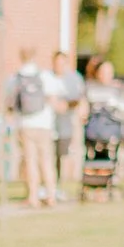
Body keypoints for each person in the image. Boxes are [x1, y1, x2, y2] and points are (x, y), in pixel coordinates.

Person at [4, 47, 58, 207]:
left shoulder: (15, 78)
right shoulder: (44, 76)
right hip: (44, 125)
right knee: (46, 161)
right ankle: (51, 195)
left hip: (25, 124)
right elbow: (53, 99)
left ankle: (33, 196)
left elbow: (9, 104)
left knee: (30, 161)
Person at [49, 50, 87, 193]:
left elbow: (79, 98)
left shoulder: (73, 79)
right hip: (49, 125)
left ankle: (60, 186)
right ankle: (49, 186)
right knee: (49, 157)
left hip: (66, 125)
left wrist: (66, 105)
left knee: (63, 156)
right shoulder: (48, 77)